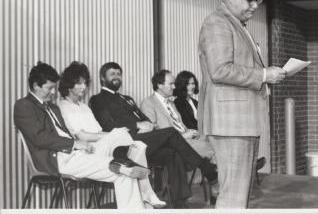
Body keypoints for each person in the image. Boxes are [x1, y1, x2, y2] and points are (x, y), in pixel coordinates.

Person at [198, 0, 286, 208]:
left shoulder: (237, 24)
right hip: (231, 124)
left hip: (240, 123)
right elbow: (220, 70)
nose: (255, 6)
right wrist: (265, 74)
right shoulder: (217, 23)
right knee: (233, 196)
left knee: (239, 195)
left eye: (258, 0)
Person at [14, 62, 151, 209]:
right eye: (49, 88)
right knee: (122, 169)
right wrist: (74, 144)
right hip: (57, 159)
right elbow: (38, 137)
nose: (53, 92)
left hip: (75, 155)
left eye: (54, 88)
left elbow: (64, 132)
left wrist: (80, 147)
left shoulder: (53, 107)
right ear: (36, 86)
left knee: (123, 169)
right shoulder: (24, 105)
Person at [89, 62, 218, 208]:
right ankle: (208, 171)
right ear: (102, 77)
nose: (117, 77)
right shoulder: (97, 99)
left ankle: (179, 203)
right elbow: (107, 126)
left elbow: (146, 119)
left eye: (119, 74)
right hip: (124, 143)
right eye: (112, 74)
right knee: (171, 132)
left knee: (172, 152)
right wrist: (136, 125)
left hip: (144, 140)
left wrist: (149, 125)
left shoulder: (126, 98)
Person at [58, 61, 166, 208]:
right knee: (122, 135)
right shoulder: (64, 107)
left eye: (85, 83)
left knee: (138, 146)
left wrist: (110, 135)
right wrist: (110, 135)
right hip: (88, 151)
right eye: (79, 84)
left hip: (101, 146)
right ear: (69, 85)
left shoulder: (83, 107)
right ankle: (146, 192)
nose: (83, 87)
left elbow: (99, 131)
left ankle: (146, 193)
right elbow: (82, 137)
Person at [174, 70, 267, 175]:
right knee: (221, 145)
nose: (191, 86)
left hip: (204, 134)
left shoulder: (195, 102)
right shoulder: (178, 103)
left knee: (229, 139)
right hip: (196, 138)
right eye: (188, 84)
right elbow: (188, 125)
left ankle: (248, 165)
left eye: (192, 83)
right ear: (182, 85)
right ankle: (246, 168)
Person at [141, 69, 215, 163]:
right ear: (159, 85)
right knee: (215, 150)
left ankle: (210, 174)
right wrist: (183, 136)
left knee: (216, 142)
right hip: (176, 143)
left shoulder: (171, 103)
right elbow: (154, 135)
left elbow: (180, 125)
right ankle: (214, 175)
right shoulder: (148, 104)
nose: (174, 86)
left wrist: (189, 131)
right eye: (170, 84)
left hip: (187, 138)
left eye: (174, 83)